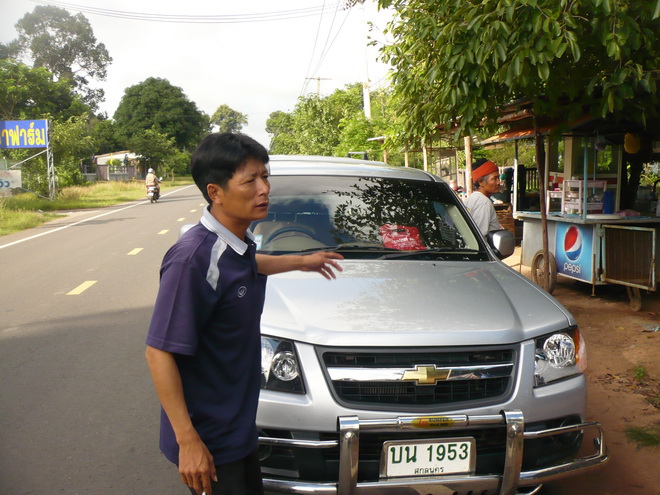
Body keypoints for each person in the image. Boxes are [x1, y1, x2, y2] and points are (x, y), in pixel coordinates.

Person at [145, 132, 343, 495]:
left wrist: (302, 261)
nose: (263, 189)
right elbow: (158, 353)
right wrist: (188, 441)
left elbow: (248, 264)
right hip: (210, 438)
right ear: (215, 192)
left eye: (265, 176)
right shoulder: (193, 259)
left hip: (238, 427)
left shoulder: (235, 244)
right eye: (249, 181)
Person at [464, 158, 503, 237]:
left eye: (498, 178)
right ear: (481, 182)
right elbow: (480, 236)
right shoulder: (483, 202)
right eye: (494, 178)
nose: (498, 182)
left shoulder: (472, 199)